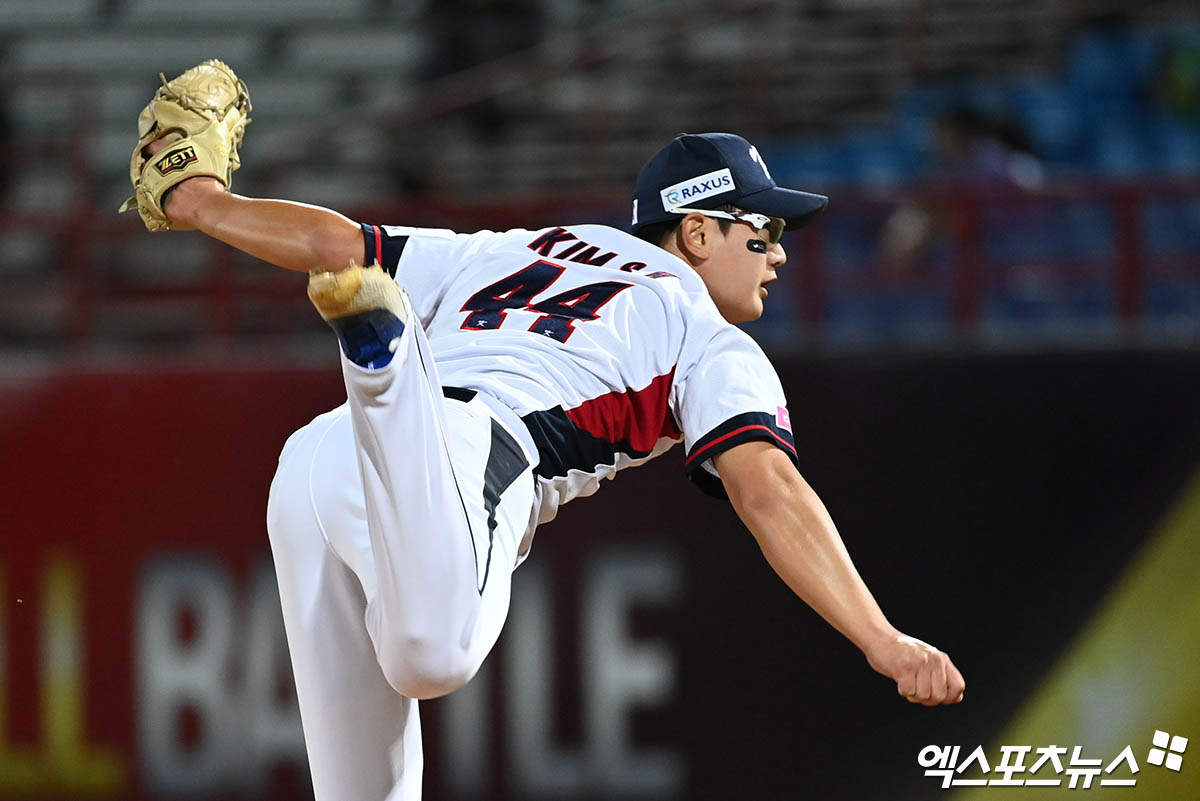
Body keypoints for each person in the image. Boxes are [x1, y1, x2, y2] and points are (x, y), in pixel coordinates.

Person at [147, 130, 965, 801]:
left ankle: (382, 365)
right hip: (455, 456)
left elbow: (333, 244)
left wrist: (204, 202)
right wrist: (881, 638)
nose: (779, 253)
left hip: (318, 461)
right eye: (765, 229)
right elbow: (769, 490)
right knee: (430, 657)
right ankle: (383, 365)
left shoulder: (524, 246)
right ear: (699, 231)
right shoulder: (707, 335)